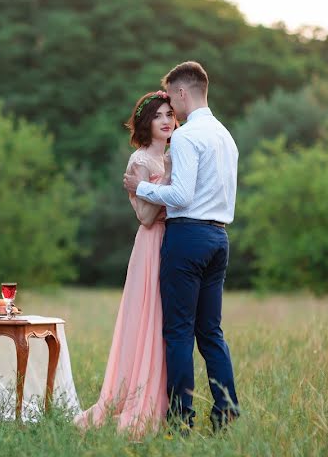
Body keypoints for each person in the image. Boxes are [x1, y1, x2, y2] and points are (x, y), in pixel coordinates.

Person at [123, 61, 240, 431]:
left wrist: (140, 188)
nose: (172, 108)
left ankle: (179, 420)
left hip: (187, 237)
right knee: (211, 333)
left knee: (177, 332)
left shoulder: (188, 136)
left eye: (172, 97)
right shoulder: (226, 136)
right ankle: (225, 414)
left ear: (184, 92)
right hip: (219, 237)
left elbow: (181, 194)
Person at [75, 91, 177, 435]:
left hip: (175, 242)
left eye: (170, 114)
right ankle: (136, 401)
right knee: (147, 320)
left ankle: (164, 403)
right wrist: (163, 182)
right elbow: (146, 217)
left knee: (167, 326)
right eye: (159, 115)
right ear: (146, 122)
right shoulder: (140, 161)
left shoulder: (175, 154)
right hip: (152, 244)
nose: (166, 120)